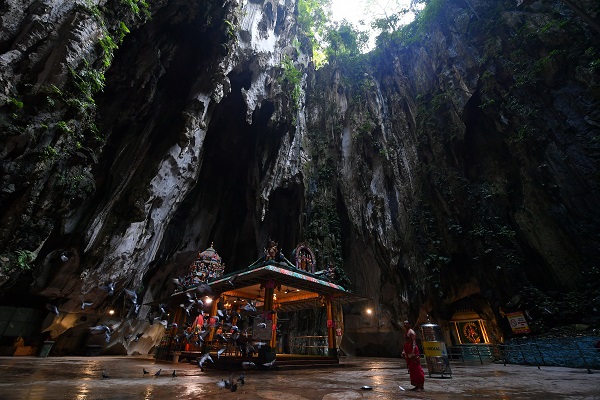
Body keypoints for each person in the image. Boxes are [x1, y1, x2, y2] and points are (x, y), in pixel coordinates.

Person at [401, 320, 425, 391]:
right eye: (404, 323)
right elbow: (405, 342)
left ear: (409, 324)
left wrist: (413, 352)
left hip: (412, 350)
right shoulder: (406, 332)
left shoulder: (412, 332)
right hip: (408, 349)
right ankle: (416, 385)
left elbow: (414, 343)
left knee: (416, 368)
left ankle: (420, 385)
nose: (405, 325)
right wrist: (403, 351)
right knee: (412, 368)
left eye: (407, 323)